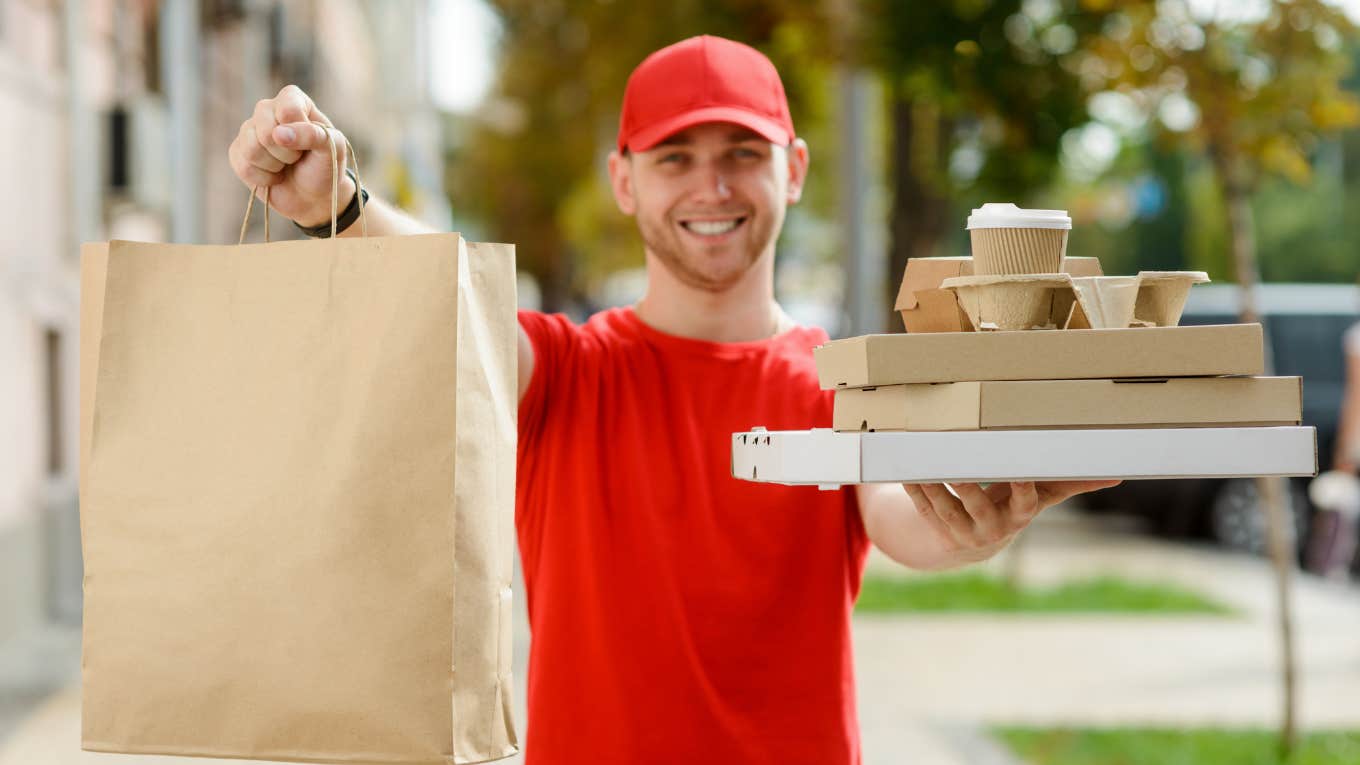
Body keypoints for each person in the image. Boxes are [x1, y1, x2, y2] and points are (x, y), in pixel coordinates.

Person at [228, 34, 1117, 764]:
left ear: (794, 168)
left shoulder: (844, 382)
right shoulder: (563, 368)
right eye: (676, 157)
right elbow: (448, 287)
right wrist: (337, 206)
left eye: (742, 153)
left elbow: (898, 511)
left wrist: (976, 519)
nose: (713, 187)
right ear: (624, 179)